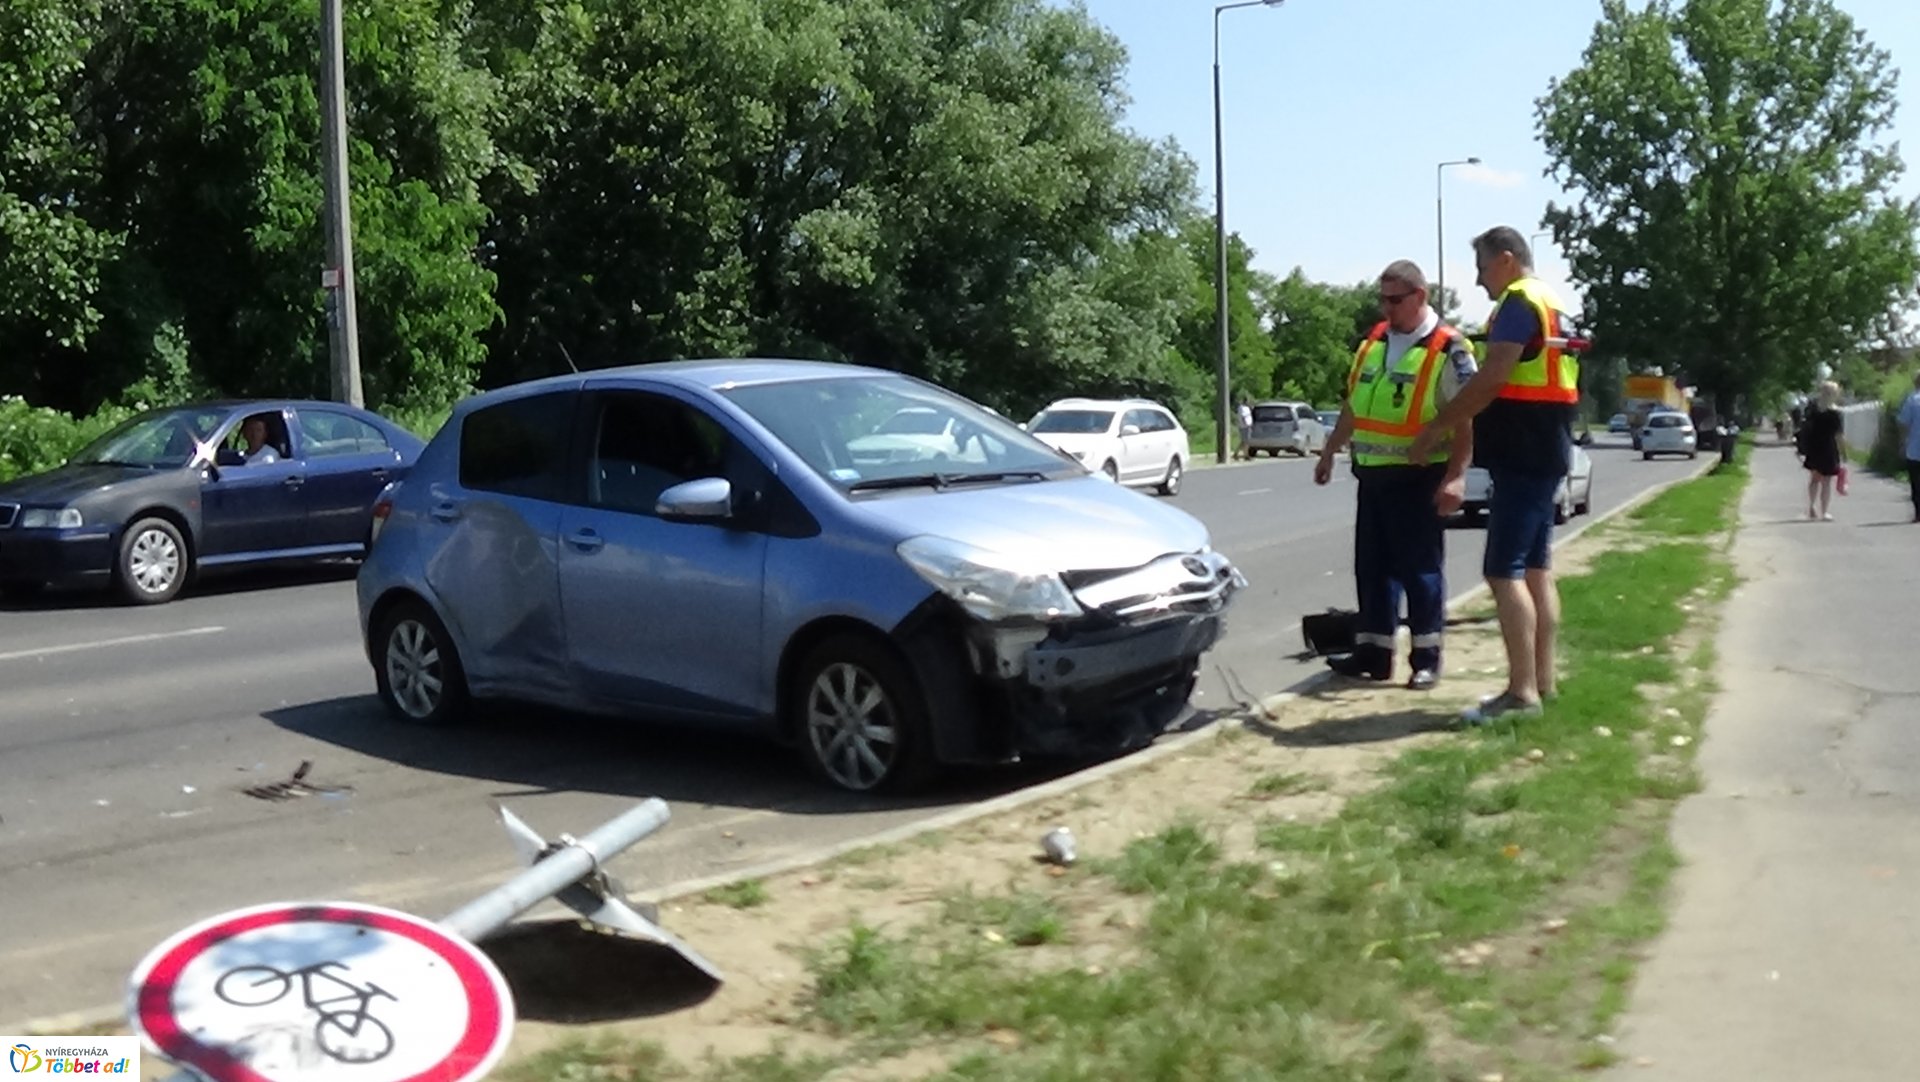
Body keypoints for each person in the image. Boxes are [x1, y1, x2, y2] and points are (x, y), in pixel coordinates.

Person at [1408, 226, 1581, 724]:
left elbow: (1491, 378)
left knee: (1502, 572)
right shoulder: (1551, 300)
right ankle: (1541, 682)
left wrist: (1438, 427)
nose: (1480, 281)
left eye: (1483, 268)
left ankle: (1520, 693)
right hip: (1546, 449)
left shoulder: (1518, 304)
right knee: (1535, 570)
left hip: (1523, 454)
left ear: (1505, 260)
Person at [1314, 260, 1476, 691]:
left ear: (1420, 296)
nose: (1386, 308)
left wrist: (1457, 477)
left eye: (1395, 300)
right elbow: (1355, 404)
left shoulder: (1448, 348)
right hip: (1372, 475)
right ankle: (1374, 653)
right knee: (1372, 569)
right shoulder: (1375, 341)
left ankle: (1426, 658)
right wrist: (1330, 450)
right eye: (1382, 299)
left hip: (1418, 477)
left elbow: (1466, 420)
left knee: (1420, 571)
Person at [1798, 381, 1845, 520]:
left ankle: (1811, 506)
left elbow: (1805, 427)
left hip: (1814, 447)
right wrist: (1843, 452)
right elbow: (1839, 435)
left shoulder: (1813, 410)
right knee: (1826, 482)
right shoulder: (1835, 413)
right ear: (1834, 394)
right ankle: (1824, 511)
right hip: (1828, 447)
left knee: (1814, 479)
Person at [1898, 371, 1920, 523]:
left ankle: (1919, 512)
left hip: (1915, 447)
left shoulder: (1912, 400)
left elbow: (1904, 423)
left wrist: (1902, 442)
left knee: (1916, 482)